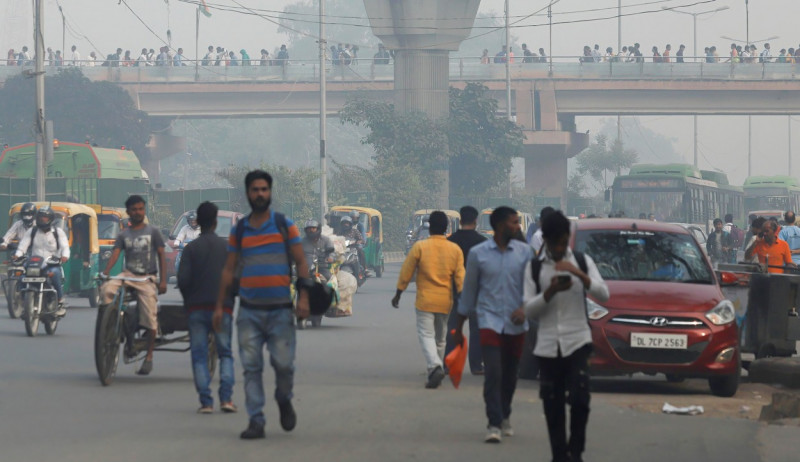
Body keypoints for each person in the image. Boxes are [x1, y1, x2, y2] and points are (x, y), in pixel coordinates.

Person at [214, 170, 310, 440]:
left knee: (283, 365)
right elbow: (229, 270)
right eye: (255, 190)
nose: (260, 194)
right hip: (249, 312)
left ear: (270, 192)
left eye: (264, 189)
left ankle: (283, 397)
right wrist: (221, 306)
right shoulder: (240, 230)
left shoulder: (284, 225)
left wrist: (303, 297)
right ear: (248, 194)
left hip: (280, 311)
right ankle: (256, 420)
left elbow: (301, 262)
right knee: (252, 368)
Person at [522, 211, 609, 462]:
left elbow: (604, 294)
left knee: (581, 400)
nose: (559, 248)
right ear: (545, 240)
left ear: (568, 239)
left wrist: (580, 275)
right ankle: (559, 455)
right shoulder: (535, 267)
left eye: (563, 242)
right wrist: (549, 292)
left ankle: (576, 451)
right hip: (548, 345)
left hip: (578, 341)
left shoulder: (582, 261)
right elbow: (528, 309)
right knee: (553, 404)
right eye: (554, 243)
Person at [453, 206, 535, 443]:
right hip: (488, 320)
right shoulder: (478, 254)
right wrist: (459, 327)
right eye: (514, 222)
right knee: (494, 372)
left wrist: (525, 308)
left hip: (516, 322)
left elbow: (532, 288)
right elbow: (469, 293)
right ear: (499, 225)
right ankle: (493, 423)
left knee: (510, 374)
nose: (518, 226)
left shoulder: (525, 253)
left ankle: (505, 414)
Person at [393, 211, 465, 388]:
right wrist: (462, 299)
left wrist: (399, 293)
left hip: (425, 300)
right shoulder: (454, 249)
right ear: (446, 228)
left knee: (426, 334)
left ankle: (435, 366)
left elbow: (406, 272)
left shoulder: (420, 247)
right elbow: (460, 277)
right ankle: (436, 369)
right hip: (446, 302)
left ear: (429, 226)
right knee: (441, 338)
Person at [178, 202, 237, 414]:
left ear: (199, 223)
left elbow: (183, 281)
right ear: (215, 222)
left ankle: (206, 402)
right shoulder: (228, 249)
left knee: (199, 355)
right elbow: (236, 280)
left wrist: (189, 303)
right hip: (224, 309)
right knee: (226, 354)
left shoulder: (191, 249)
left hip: (196, 309)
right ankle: (226, 400)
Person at [100, 195, 168, 375]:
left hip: (146, 278)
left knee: (150, 317)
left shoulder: (153, 231)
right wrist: (106, 273)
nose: (137, 212)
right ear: (128, 212)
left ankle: (149, 357)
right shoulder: (123, 234)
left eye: (140, 209)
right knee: (106, 289)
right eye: (134, 209)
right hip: (128, 275)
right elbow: (115, 254)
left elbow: (161, 255)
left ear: (143, 211)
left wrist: (163, 281)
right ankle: (108, 322)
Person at [444, 206, 487, 375]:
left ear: (460, 221)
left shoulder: (450, 241)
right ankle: (476, 366)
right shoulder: (483, 243)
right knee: (477, 330)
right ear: (476, 222)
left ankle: (448, 364)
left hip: (455, 291)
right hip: (477, 292)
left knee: (453, 328)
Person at [13, 206, 70, 315]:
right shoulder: (32, 231)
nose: (42, 219)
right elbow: (23, 245)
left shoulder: (58, 232)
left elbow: (65, 247)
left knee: (55, 274)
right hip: (35, 263)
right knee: (22, 277)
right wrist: (18, 255)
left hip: (51, 263)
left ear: (50, 219)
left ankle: (59, 301)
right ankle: (22, 300)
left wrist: (64, 256)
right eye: (40, 217)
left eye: (45, 217)